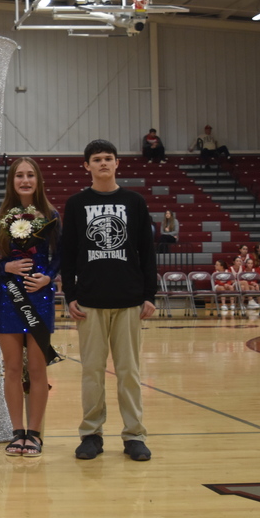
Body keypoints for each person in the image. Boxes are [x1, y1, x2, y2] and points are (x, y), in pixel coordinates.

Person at [62, 139, 157, 462]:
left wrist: (149, 294)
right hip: (89, 302)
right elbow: (68, 252)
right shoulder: (76, 204)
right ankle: (91, 433)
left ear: (117, 164)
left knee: (129, 371)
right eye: (97, 159)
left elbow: (147, 250)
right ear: (86, 166)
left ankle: (134, 435)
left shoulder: (134, 201)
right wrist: (70, 294)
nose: (103, 163)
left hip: (129, 300)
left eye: (108, 158)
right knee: (92, 372)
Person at [0, 157, 60, 458]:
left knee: (37, 368)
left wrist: (48, 278)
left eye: (30, 175)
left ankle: (36, 433)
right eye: (19, 175)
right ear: (12, 181)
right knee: (12, 369)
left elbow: (60, 256)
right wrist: (8, 265)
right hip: (8, 297)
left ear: (38, 180)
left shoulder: (52, 216)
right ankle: (16, 432)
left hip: (40, 297)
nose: (25, 180)